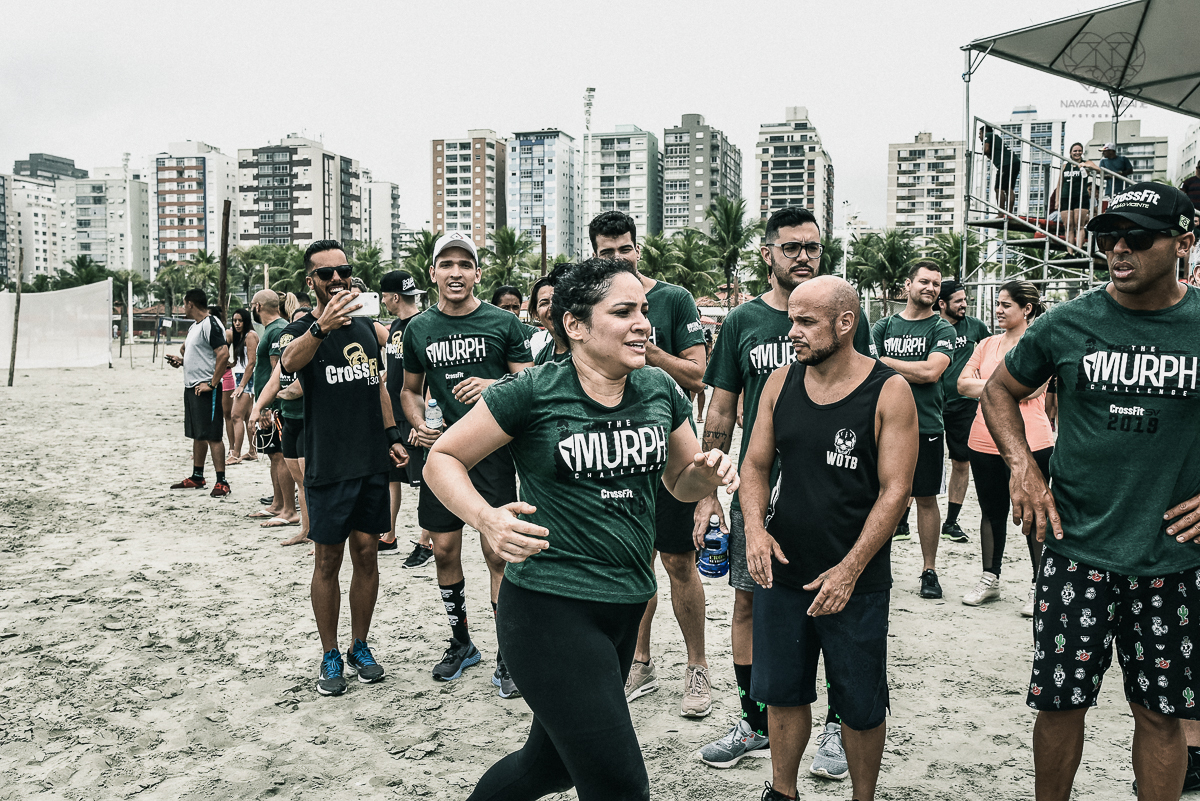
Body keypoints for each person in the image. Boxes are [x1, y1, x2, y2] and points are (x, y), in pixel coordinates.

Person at [424, 257, 739, 801]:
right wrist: (486, 519)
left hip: (624, 605)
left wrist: (705, 475)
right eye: (623, 312)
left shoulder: (658, 389)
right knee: (620, 787)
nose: (643, 323)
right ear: (574, 325)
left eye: (642, 309)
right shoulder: (532, 391)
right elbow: (442, 459)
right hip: (550, 610)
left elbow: (680, 484)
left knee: (548, 768)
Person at [981, 182, 1200, 800]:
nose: (1118, 249)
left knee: (1160, 714)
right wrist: (1023, 466)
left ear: (1184, 243)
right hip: (1075, 549)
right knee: (1058, 704)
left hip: (1171, 557)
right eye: (1108, 237)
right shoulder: (1070, 322)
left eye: (1138, 236)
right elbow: (1000, 390)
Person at [694, 205, 875, 775]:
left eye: (813, 247)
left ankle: (833, 730)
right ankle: (754, 720)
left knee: (831, 606)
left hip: (834, 490)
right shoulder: (744, 322)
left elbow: (866, 389)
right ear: (767, 253)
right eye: (792, 247)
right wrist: (706, 493)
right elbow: (721, 409)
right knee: (750, 601)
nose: (804, 256)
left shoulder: (845, 315)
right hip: (760, 490)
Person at [742, 276, 917, 801]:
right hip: (784, 568)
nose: (791, 331)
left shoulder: (889, 390)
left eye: (805, 322)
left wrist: (850, 568)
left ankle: (863, 796)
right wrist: (754, 529)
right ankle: (783, 791)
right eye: (790, 320)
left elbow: (895, 492)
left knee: (860, 703)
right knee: (783, 694)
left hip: (854, 580)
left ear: (846, 323)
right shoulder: (780, 382)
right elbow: (754, 465)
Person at [590, 210, 713, 717]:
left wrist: (645, 349)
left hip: (669, 448)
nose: (617, 258)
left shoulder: (673, 299)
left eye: (625, 250)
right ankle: (639, 662)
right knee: (631, 562)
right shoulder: (591, 302)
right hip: (615, 455)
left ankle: (697, 666)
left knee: (679, 562)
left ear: (638, 248)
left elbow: (698, 374)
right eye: (606, 253)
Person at [401, 232, 533, 696]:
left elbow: (529, 382)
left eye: (464, 263)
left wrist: (493, 384)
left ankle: (508, 654)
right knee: (443, 551)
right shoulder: (418, 328)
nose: (455, 272)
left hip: (493, 455)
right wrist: (417, 423)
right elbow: (409, 390)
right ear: (432, 273)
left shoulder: (503, 322)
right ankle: (461, 643)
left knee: (497, 552)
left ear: (478, 273)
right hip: (443, 456)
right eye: (446, 264)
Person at [277, 240, 408, 697]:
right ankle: (330, 652)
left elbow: (379, 389)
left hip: (371, 458)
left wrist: (393, 437)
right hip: (328, 464)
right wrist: (320, 326)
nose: (336, 280)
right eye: (325, 274)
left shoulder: (371, 330)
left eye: (342, 271)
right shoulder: (299, 328)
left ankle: (360, 645)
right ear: (309, 281)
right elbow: (288, 366)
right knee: (328, 558)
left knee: (368, 554)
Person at [955, 281, 1053, 613]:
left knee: (1033, 511)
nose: (998, 309)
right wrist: (1002, 387)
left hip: (1033, 442)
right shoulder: (985, 344)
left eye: (1006, 304)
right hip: (983, 439)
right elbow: (961, 384)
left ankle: (1039, 584)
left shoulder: (1039, 344)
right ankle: (990, 579)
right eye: (997, 303)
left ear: (1026, 309)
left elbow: (1032, 391)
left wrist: (988, 386)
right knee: (991, 511)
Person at [871, 261, 955, 599]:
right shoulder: (883, 326)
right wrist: (903, 367)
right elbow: (865, 368)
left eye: (936, 284)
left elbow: (930, 373)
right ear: (908, 285)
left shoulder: (942, 329)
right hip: (883, 425)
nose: (931, 288)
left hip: (926, 425)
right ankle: (876, 564)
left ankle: (928, 570)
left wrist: (888, 362)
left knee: (925, 498)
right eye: (924, 281)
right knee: (880, 497)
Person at [378, 269, 434, 567]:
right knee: (391, 477)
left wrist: (420, 421)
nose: (384, 301)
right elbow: (396, 369)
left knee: (428, 481)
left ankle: (426, 543)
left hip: (414, 417)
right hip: (395, 414)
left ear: (395, 296)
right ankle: (388, 535)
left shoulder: (422, 324)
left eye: (385, 296)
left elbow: (430, 378)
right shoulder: (396, 326)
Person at [935, 281, 990, 544]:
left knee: (961, 461)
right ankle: (902, 522)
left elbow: (993, 353)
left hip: (964, 405)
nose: (964, 304)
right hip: (931, 405)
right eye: (958, 300)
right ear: (942, 304)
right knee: (918, 462)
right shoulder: (932, 327)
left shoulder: (976, 327)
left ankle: (951, 521)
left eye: (965, 299)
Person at [166, 289, 231, 497]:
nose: (183, 307)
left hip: (206, 388)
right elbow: (202, 356)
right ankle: (197, 476)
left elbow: (223, 354)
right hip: (192, 386)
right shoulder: (195, 326)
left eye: (184, 304)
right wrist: (182, 362)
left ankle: (222, 481)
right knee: (198, 434)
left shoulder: (210, 323)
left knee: (212, 435)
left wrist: (212, 384)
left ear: (191, 304)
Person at [246, 289, 299, 527]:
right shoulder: (271, 330)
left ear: (257, 306)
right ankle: (278, 504)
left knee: (280, 456)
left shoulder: (277, 329)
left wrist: (269, 407)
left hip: (275, 407)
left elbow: (281, 371)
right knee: (273, 455)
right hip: (270, 404)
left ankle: (288, 508)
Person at [228, 308, 259, 463]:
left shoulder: (250, 335)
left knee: (236, 415)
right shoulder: (240, 336)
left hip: (248, 378)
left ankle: (235, 454)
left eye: (240, 320)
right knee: (247, 417)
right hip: (241, 376)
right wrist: (232, 364)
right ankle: (252, 451)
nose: (237, 323)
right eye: (234, 320)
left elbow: (252, 362)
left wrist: (241, 385)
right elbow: (244, 361)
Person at [209, 305, 238, 464]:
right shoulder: (203, 332)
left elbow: (243, 346)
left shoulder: (227, 333)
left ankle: (232, 448)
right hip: (209, 375)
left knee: (228, 414)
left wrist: (235, 362)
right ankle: (205, 446)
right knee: (209, 414)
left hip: (226, 375)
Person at [529, 266, 570, 366]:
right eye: (544, 303)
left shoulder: (587, 349)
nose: (552, 306)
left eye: (557, 300)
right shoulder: (542, 356)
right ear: (535, 314)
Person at [1058, 142, 1094, 250]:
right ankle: (1070, 252)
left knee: (1079, 225)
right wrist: (1057, 200)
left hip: (1081, 197)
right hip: (1065, 197)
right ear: (1070, 152)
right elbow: (1060, 183)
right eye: (1075, 151)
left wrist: (1086, 165)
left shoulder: (1086, 163)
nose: (1077, 153)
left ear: (1082, 152)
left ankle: (1078, 250)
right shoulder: (1065, 166)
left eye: (1079, 151)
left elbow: (1099, 170)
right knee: (1068, 225)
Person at [981, 125, 1018, 212]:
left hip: (1006, 164)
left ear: (984, 132)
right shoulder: (996, 138)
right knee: (1009, 189)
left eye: (980, 134)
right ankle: (1009, 214)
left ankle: (1001, 213)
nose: (979, 136)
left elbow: (986, 150)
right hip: (1015, 162)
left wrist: (984, 150)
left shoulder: (988, 135)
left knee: (998, 188)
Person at [1097, 142, 1134, 207]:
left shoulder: (1123, 159)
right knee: (1112, 206)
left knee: (1123, 206)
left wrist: (1121, 173)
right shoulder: (1103, 161)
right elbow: (1101, 174)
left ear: (1111, 151)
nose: (1103, 153)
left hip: (1123, 188)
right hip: (1110, 190)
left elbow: (1130, 170)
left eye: (1105, 151)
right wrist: (1110, 176)